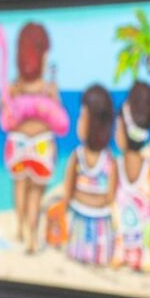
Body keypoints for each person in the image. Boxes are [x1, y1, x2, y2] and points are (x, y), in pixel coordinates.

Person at [0, 22, 69, 254]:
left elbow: (3, 113)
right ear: (42, 55)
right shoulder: (47, 89)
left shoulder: (14, 88)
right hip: (42, 145)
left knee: (19, 185)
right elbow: (60, 121)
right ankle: (32, 236)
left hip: (17, 145)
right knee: (35, 190)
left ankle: (20, 226)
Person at [113, 81, 150, 270]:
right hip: (134, 252)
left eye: (117, 126)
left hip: (135, 251)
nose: (115, 132)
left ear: (123, 127)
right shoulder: (144, 167)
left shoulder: (119, 166)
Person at [61, 84, 117, 266]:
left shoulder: (109, 161)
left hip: (100, 227)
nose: (78, 121)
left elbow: (110, 197)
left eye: (82, 117)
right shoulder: (77, 157)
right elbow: (68, 193)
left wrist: (80, 197)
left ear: (96, 124)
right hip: (80, 223)